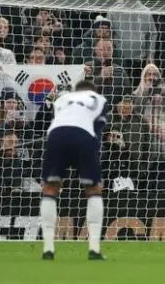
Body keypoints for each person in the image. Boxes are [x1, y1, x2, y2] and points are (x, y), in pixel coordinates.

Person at [40, 80, 108, 261]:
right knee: (93, 189)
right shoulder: (98, 99)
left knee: (50, 188)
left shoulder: (62, 99)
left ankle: (48, 249)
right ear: (92, 91)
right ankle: (94, 249)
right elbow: (97, 133)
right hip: (83, 137)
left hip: (55, 135)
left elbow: (59, 121)